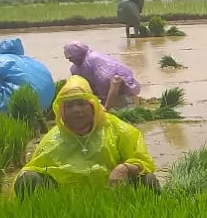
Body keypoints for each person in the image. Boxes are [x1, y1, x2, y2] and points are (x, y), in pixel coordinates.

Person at [14, 76, 159, 195]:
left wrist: (124, 168)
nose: (76, 110)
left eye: (81, 103)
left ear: (93, 105)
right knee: (28, 179)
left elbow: (144, 163)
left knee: (148, 179)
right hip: (68, 203)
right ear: (61, 112)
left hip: (114, 194)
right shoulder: (52, 140)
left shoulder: (118, 129)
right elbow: (31, 169)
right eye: (69, 106)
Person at [63, 41, 141, 109]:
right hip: (100, 91)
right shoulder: (75, 68)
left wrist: (103, 98)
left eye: (70, 56)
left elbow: (104, 79)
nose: (69, 60)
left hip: (120, 85)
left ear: (77, 53)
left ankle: (106, 108)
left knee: (116, 79)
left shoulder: (93, 58)